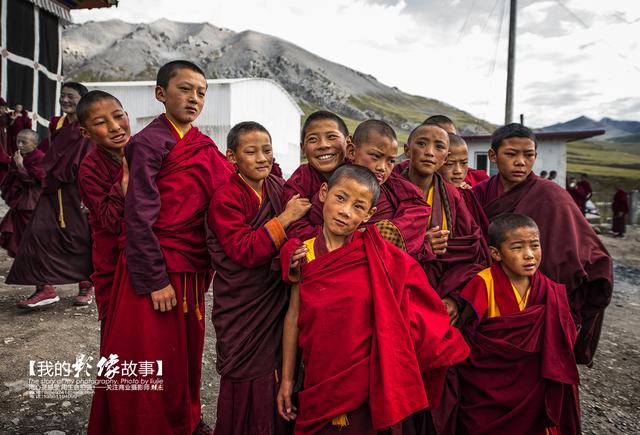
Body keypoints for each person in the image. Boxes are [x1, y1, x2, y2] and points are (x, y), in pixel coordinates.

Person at [87, 60, 231, 435]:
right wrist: (153, 279)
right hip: (157, 271)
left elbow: (230, 189)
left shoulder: (201, 144)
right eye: (184, 89)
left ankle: (184, 418)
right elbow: (138, 216)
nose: (194, 98)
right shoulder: (147, 144)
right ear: (161, 94)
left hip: (190, 268)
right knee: (148, 354)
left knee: (184, 354)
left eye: (201, 92)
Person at [276, 165, 470, 434]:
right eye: (340, 198)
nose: (345, 211)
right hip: (319, 376)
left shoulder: (377, 253)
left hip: (366, 379)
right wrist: (287, 379)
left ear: (370, 214)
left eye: (358, 206)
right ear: (324, 193)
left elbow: (408, 304)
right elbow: (294, 317)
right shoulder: (303, 254)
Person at [474, 123, 613, 365]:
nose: (520, 162)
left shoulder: (551, 196)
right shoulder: (479, 194)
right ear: (493, 156)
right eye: (511, 154)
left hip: (540, 305)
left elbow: (589, 255)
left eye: (528, 155)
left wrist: (565, 308)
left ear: (535, 157)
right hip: (489, 297)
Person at [207, 121, 311, 434]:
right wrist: (286, 217)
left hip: (276, 300)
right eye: (251, 152)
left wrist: (293, 249)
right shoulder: (225, 198)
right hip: (243, 304)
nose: (262, 157)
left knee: (279, 371)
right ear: (231, 157)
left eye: (267, 150)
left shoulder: (279, 188)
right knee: (248, 378)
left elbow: (297, 235)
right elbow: (244, 250)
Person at [457, 213, 580, 435]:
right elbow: (467, 335)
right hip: (487, 387)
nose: (529, 255)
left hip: (534, 389)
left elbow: (562, 340)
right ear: (495, 253)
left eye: (535, 245)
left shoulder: (550, 291)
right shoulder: (483, 283)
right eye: (517, 248)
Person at [7, 82, 95, 308]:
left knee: (78, 237)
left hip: (77, 191)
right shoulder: (58, 124)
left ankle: (86, 285)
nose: (65, 100)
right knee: (36, 235)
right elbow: (48, 153)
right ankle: (45, 288)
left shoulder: (90, 126)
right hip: (52, 188)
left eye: (71, 96)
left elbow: (91, 157)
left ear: (82, 100)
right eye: (62, 96)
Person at [287, 119, 430, 256]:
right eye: (375, 156)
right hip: (326, 257)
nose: (381, 167)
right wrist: (345, 241)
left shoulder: (392, 184)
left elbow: (418, 210)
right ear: (351, 151)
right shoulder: (337, 182)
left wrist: (378, 234)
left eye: (390, 161)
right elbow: (302, 225)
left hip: (374, 261)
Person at [402, 122, 490, 321]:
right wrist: (421, 244)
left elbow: (472, 253)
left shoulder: (452, 195)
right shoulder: (389, 189)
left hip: (441, 290)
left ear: (445, 157)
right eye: (422, 144)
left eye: (439, 147)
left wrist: (454, 298)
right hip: (396, 289)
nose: (430, 152)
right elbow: (375, 243)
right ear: (407, 151)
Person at [77, 91, 130, 331]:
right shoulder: (90, 169)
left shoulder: (144, 150)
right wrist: (125, 182)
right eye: (100, 123)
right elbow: (109, 220)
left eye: (118, 116)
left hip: (152, 254)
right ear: (85, 133)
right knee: (120, 326)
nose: (115, 127)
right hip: (113, 256)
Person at [283, 110, 350, 203]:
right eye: (313, 139)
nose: (323, 145)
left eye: (331, 136)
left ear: (348, 142)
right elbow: (294, 215)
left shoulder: (362, 173)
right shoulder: (298, 182)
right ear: (303, 149)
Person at [0, 129, 45, 257]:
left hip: (30, 202)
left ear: (35, 144)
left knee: (27, 234)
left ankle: (29, 259)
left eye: (24, 142)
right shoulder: (18, 155)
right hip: (19, 201)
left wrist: (20, 166)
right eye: (18, 141)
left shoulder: (40, 157)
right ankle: (21, 260)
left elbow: (34, 181)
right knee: (18, 235)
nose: (19, 145)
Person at [438, 133, 490, 236]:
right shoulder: (427, 192)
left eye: (464, 163)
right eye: (449, 164)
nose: (458, 171)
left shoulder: (468, 193)